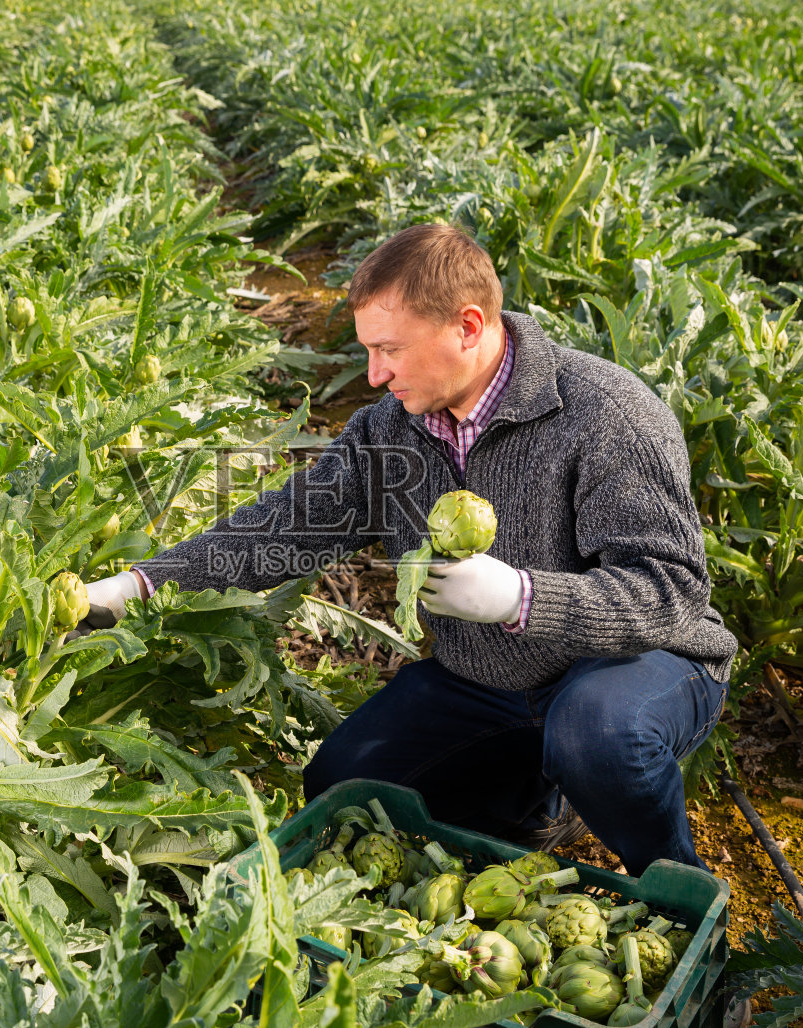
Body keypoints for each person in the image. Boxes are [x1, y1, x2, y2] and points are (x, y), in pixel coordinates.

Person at [82, 224, 738, 877]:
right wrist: (139, 585)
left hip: (637, 663)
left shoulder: (604, 413)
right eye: (368, 350)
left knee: (597, 734)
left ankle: (676, 889)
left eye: (389, 349)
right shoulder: (390, 430)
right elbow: (284, 524)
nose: (373, 376)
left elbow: (671, 590)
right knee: (346, 791)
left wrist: (521, 597)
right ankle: (543, 802)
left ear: (468, 326)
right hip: (494, 681)